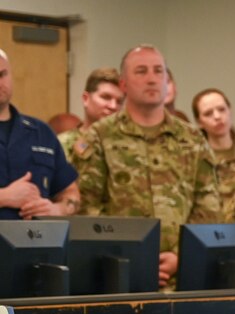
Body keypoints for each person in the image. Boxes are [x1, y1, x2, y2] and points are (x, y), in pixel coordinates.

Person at [74, 45, 221, 289]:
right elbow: (87, 208)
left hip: (184, 276)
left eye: (158, 71)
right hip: (119, 277)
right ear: (123, 85)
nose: (152, 78)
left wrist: (181, 255)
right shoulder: (99, 136)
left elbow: (208, 205)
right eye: (141, 71)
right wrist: (134, 258)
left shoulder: (192, 138)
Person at [0, 48, 81, 220]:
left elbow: (71, 193)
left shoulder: (41, 133)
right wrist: (5, 197)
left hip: (37, 243)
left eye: (2, 75)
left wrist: (57, 209)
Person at [191, 87, 235, 210]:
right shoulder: (194, 160)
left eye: (221, 109)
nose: (217, 116)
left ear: (230, 111)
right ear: (199, 122)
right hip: (207, 227)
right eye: (208, 113)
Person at [59, 67, 124, 162]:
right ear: (86, 99)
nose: (113, 106)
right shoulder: (61, 145)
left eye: (119, 101)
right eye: (106, 97)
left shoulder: (130, 145)